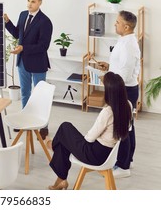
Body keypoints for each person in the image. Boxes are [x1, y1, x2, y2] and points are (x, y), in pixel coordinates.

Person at [45, 72, 132, 190]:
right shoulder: (128, 105)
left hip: (94, 155)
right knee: (64, 141)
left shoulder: (108, 112)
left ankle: (53, 146)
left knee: (65, 127)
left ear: (109, 92)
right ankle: (61, 181)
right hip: (109, 153)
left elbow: (89, 138)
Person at [3, 0, 53, 138]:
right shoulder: (23, 15)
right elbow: (18, 33)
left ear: (40, 2)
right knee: (25, 93)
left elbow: (43, 46)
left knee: (40, 96)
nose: (29, 4)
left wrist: (23, 47)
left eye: (33, 1)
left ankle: (43, 126)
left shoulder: (45, 22)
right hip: (23, 61)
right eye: (28, 0)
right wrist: (7, 22)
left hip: (38, 63)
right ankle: (25, 121)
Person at [97, 10, 140, 178]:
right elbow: (121, 66)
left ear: (126, 26)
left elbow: (126, 74)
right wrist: (108, 67)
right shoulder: (124, 40)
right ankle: (128, 158)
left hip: (125, 90)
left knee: (123, 127)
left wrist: (107, 79)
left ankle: (123, 167)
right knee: (128, 126)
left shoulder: (129, 45)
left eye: (117, 22)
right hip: (124, 88)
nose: (115, 24)